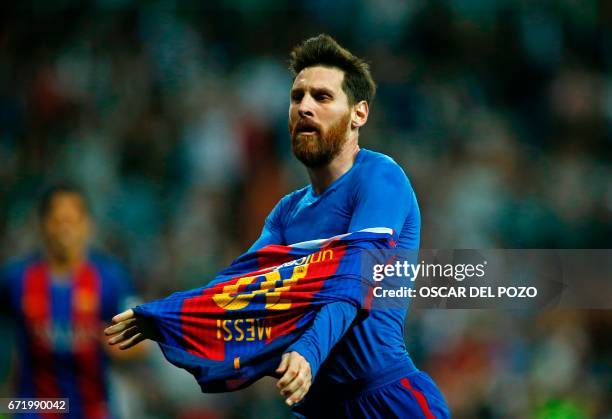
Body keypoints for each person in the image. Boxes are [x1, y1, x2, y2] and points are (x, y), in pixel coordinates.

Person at [106, 34, 450, 418]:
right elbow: (238, 290)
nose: (304, 107)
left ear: (359, 114)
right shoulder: (287, 213)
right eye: (297, 96)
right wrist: (164, 316)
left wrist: (308, 350)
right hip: (317, 408)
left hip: (388, 401)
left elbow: (353, 277)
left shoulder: (380, 178)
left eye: (321, 97)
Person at [0, 184, 136, 419]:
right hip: (33, 409)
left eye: (72, 221)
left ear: (87, 225)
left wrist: (116, 344)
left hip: (93, 409)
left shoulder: (111, 278)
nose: (65, 229)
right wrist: (6, 403)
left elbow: (141, 346)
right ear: (42, 225)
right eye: (58, 220)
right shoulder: (15, 278)